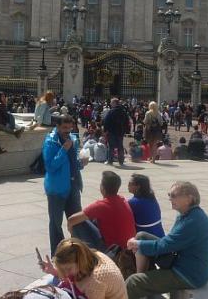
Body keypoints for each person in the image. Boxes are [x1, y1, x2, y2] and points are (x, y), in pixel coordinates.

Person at [125, 182, 208, 299]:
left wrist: (138, 244)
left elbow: (165, 245)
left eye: (173, 195)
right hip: (183, 261)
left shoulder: (193, 221)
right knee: (142, 235)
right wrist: (140, 242)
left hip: (190, 275)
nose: (169, 198)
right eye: (169, 194)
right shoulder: (188, 214)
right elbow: (170, 242)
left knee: (134, 282)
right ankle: (146, 283)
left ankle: (141, 284)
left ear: (189, 199)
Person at [43, 114, 87, 255]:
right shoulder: (51, 142)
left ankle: (78, 252)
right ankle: (59, 255)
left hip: (73, 186)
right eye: (64, 127)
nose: (67, 130)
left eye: (70, 127)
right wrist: (63, 150)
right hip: (57, 189)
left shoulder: (73, 138)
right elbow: (50, 166)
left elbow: (72, 162)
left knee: (76, 221)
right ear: (57, 126)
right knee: (56, 223)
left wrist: (81, 163)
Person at [67, 171, 136, 250]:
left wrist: (72, 233)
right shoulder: (122, 199)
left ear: (102, 187)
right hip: (128, 248)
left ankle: (88, 255)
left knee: (77, 223)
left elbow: (71, 220)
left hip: (112, 251)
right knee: (89, 218)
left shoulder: (101, 205)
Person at [39, 238, 128, 299]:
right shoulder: (92, 256)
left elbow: (91, 285)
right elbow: (68, 276)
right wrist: (54, 271)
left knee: (52, 287)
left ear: (80, 261)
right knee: (52, 282)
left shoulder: (94, 282)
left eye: (68, 269)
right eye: (62, 269)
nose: (66, 273)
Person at [103, 98, 130, 166]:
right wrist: (125, 130)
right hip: (120, 131)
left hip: (112, 131)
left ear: (115, 103)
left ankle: (110, 161)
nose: (110, 104)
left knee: (111, 146)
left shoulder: (111, 111)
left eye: (111, 103)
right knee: (120, 146)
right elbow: (127, 121)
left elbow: (106, 121)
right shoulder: (123, 111)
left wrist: (105, 130)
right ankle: (121, 161)